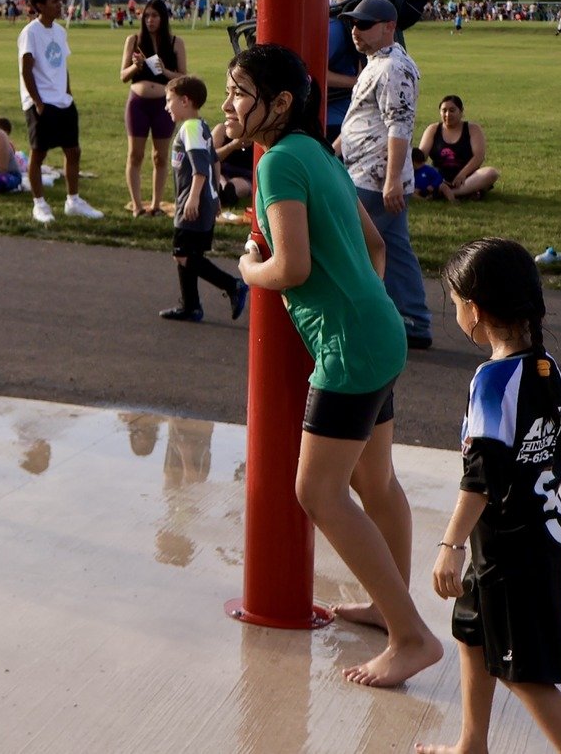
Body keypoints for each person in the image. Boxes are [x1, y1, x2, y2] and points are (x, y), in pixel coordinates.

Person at [226, 42, 440, 688]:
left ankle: (410, 636)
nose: (231, 104)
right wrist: (358, 304)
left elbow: (287, 267)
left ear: (280, 103)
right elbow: (373, 245)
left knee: (317, 491)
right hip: (380, 331)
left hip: (352, 347)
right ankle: (387, 608)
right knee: (375, 485)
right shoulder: (318, 153)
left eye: (240, 91)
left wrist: (245, 266)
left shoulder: (278, 165)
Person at [413, 238, 561, 754]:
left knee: (525, 673)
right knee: (471, 629)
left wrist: (450, 545)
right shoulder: (544, 366)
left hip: (512, 551)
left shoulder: (492, 380)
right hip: (536, 532)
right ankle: (472, 744)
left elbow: (480, 477)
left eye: (454, 304)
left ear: (475, 309)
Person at [337, 0, 433, 348]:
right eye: (352, 24)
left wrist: (392, 179)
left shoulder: (393, 68)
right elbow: (362, 119)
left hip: (375, 178)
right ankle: (414, 321)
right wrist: (333, 151)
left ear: (389, 27)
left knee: (355, 249)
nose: (355, 31)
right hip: (368, 172)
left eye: (364, 24)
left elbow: (399, 125)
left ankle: (362, 321)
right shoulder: (378, 62)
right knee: (394, 249)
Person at [157, 76, 247, 322]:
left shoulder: (191, 128)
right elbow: (214, 161)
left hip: (192, 203)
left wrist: (194, 199)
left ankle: (233, 285)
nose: (167, 106)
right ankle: (190, 306)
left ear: (185, 101)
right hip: (203, 200)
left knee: (183, 255)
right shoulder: (201, 126)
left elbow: (199, 168)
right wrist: (215, 195)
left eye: (169, 101)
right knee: (189, 254)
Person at [18, 0, 104, 223]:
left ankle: (73, 201)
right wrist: (37, 101)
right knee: (39, 153)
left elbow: (62, 66)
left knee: (73, 150)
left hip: (62, 100)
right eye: (54, 1)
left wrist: (68, 93)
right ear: (39, 6)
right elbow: (26, 70)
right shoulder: (30, 32)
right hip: (41, 101)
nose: (60, 5)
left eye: (60, 0)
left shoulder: (60, 31)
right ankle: (40, 204)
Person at [119, 0, 187, 215]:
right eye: (146, 16)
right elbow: (122, 76)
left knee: (160, 156)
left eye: (155, 16)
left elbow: (184, 77)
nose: (150, 20)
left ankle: (156, 205)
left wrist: (165, 71)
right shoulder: (133, 40)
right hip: (138, 103)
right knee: (135, 155)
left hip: (163, 105)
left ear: (163, 18)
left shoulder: (176, 42)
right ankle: (137, 206)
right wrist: (135, 66)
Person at [326, 0, 375, 146]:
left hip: (350, 119)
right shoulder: (336, 27)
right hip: (335, 122)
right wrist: (359, 81)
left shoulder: (341, 22)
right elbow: (310, 71)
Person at [418, 95, 500, 202]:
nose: (447, 114)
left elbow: (478, 157)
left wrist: (462, 175)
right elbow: (420, 157)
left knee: (491, 173)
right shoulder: (433, 129)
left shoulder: (473, 129)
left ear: (461, 112)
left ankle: (450, 193)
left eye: (452, 110)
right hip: (438, 178)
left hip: (466, 178)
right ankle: (463, 193)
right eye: (444, 111)